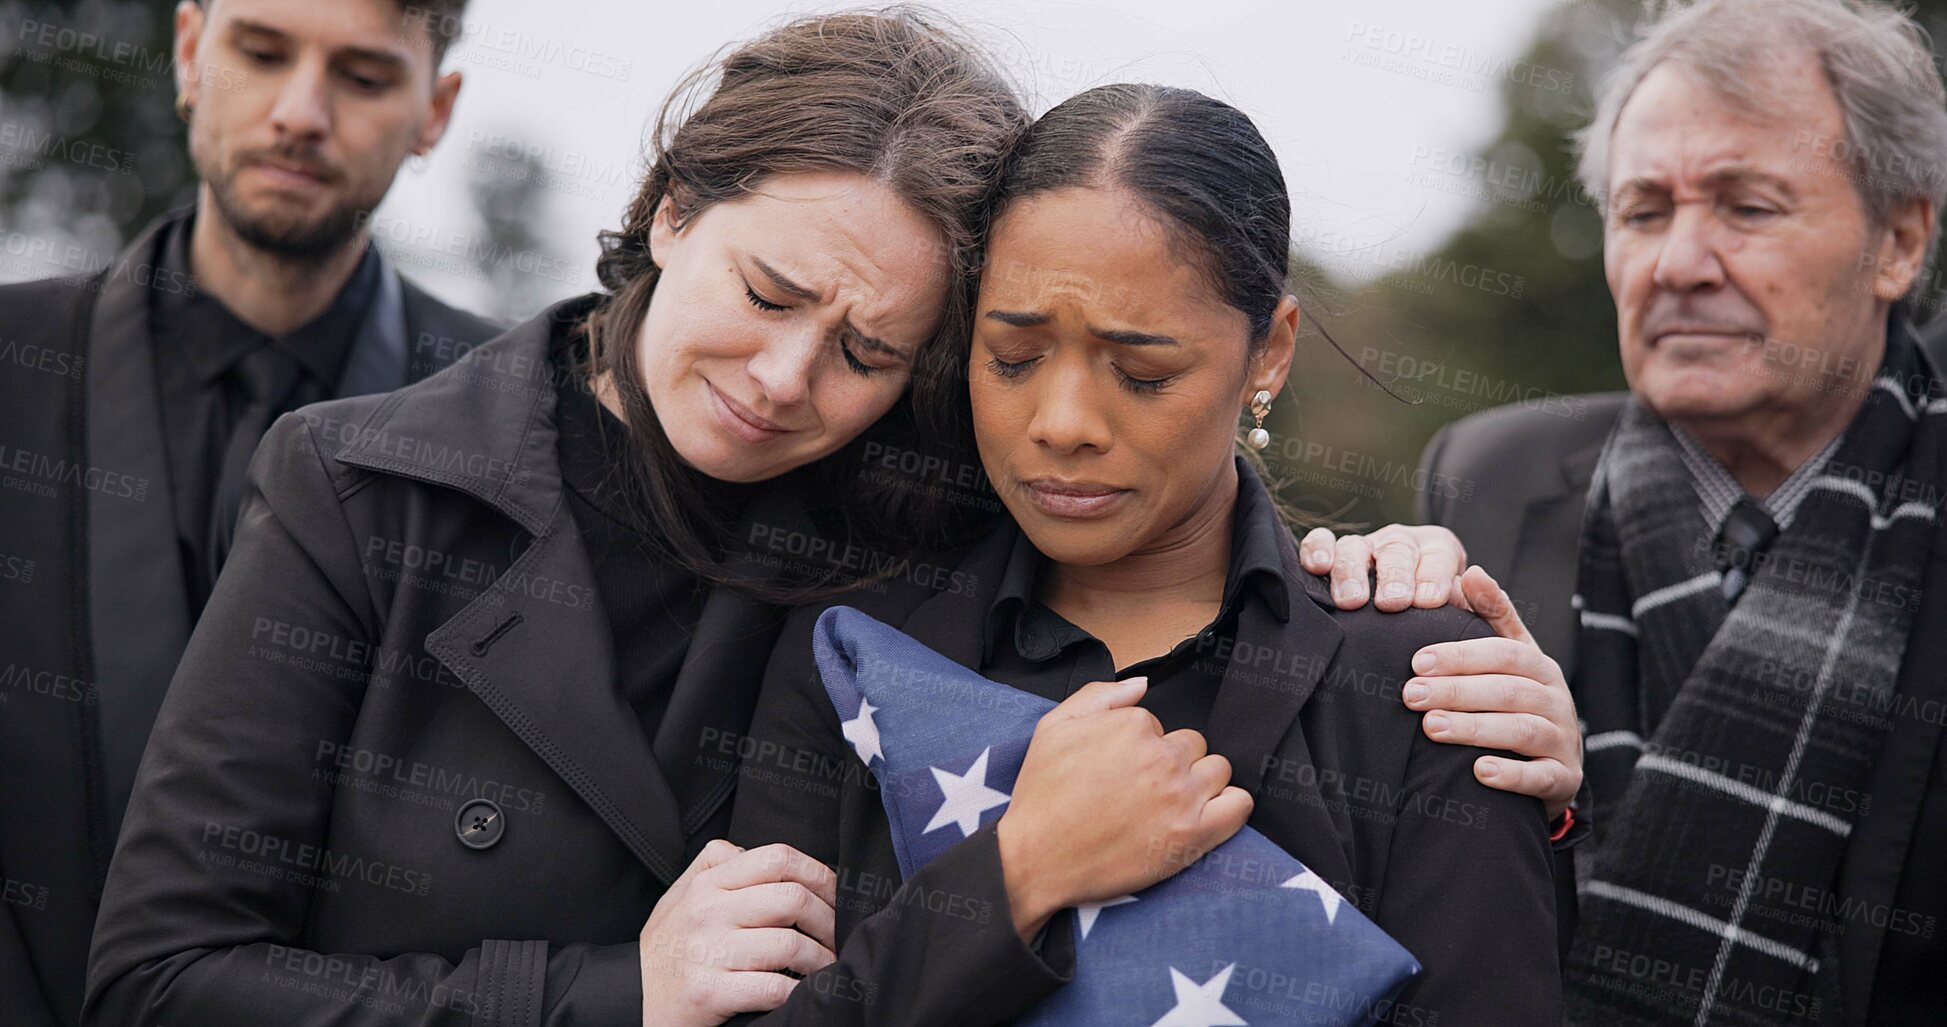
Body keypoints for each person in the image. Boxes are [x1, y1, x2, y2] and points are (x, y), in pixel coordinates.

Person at [81, 12, 1272, 1026]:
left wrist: (1374, 574)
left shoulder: (918, 527)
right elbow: (162, 979)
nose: (784, 377)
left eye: (867, 350)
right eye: (767, 294)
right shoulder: (358, 489)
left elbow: (1156, 514)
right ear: (668, 209)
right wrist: (612, 994)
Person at [731, 83, 1562, 1025]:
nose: (1064, 423)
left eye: (1142, 371)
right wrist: (1017, 876)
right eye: (1012, 356)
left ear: (1268, 355)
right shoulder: (852, 648)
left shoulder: (1424, 684)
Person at [1311, 1, 1947, 1022]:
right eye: (1645, 211)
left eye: (1748, 207)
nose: (1678, 264)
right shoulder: (1490, 482)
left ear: (1899, 241)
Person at [0, 2, 495, 1024]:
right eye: (262, 53)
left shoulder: (517, 425)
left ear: (434, 109)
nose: (301, 113)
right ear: (189, 52)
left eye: (362, 76)